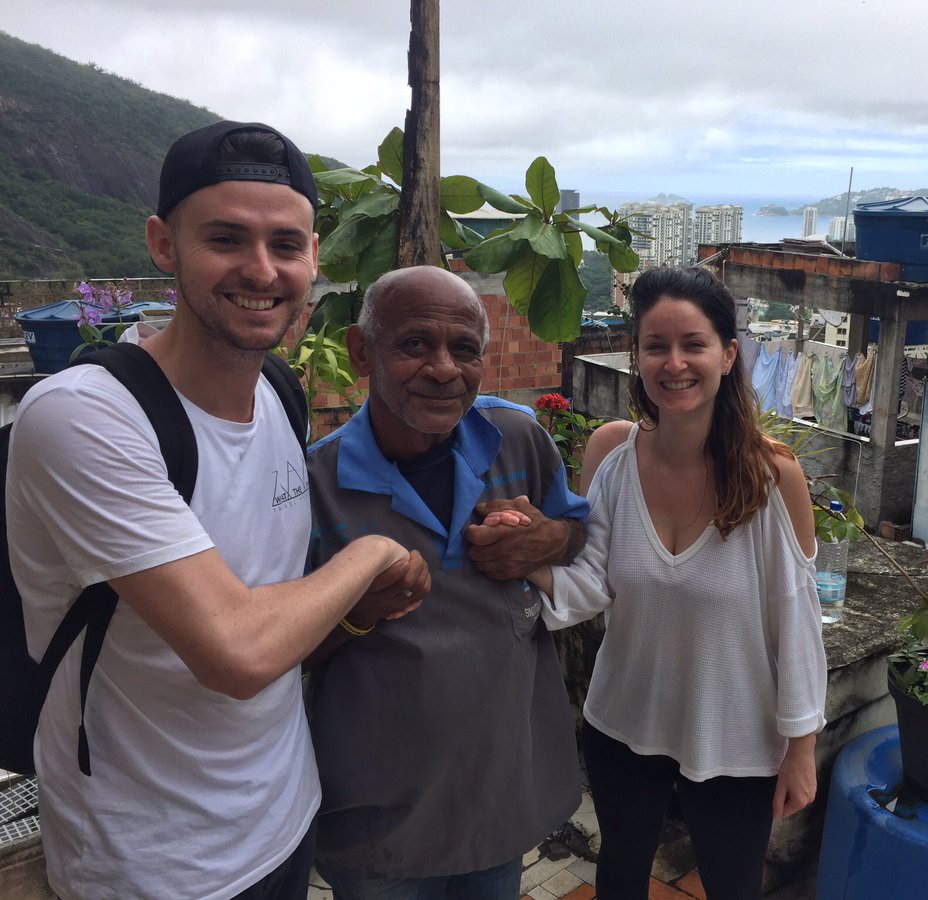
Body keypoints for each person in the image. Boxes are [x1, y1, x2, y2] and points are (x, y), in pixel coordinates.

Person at [6, 120, 429, 900]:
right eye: (227, 239)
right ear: (163, 244)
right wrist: (371, 554)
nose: (261, 270)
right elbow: (237, 650)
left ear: (314, 258)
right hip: (149, 865)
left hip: (284, 816)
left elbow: (270, 599)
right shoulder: (85, 417)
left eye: (286, 244)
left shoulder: (279, 393)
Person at [516, 266, 827, 900]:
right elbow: (589, 586)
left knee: (732, 886)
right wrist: (519, 554)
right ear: (636, 356)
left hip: (736, 734)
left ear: (728, 354)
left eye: (694, 344)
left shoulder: (773, 477)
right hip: (625, 717)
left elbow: (797, 622)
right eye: (656, 345)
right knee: (621, 874)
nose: (675, 363)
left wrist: (801, 745)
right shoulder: (611, 454)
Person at [304, 265, 589, 900]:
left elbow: (578, 535)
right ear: (361, 352)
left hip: (496, 798)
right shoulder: (316, 487)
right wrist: (357, 614)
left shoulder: (517, 439)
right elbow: (275, 652)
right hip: (383, 818)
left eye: (464, 349)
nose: (442, 368)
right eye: (414, 345)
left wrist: (548, 540)